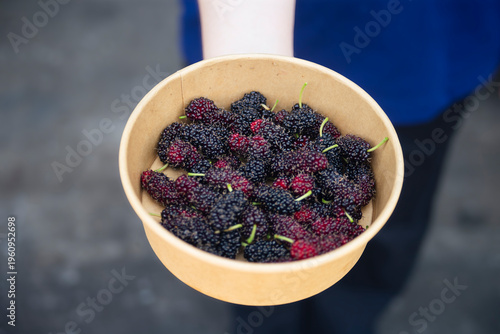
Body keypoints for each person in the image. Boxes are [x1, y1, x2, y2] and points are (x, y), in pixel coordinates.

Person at [180, 1, 500, 333]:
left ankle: (348, 318)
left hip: (418, 51)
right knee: (262, 281)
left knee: (385, 230)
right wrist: (248, 53)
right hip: (256, 29)